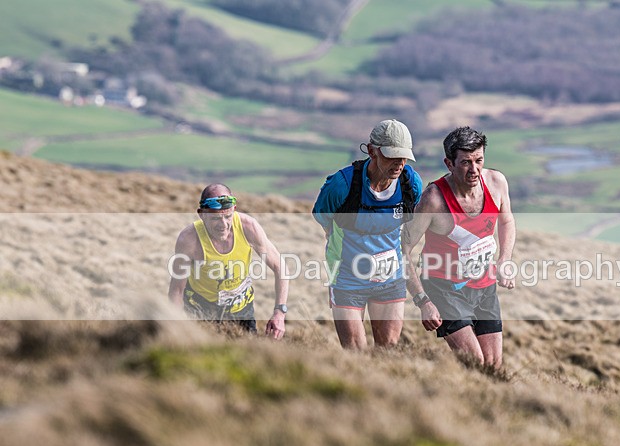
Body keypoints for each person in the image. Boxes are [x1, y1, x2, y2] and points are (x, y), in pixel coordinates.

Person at [402, 126, 516, 368]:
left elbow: (506, 220)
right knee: (475, 361)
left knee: (493, 365)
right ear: (449, 164)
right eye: (465, 162)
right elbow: (402, 251)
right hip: (444, 288)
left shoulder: (496, 182)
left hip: (484, 286)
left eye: (479, 160)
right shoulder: (433, 200)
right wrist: (423, 301)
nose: (474, 170)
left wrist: (504, 259)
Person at [312, 119, 423, 349]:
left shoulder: (410, 183)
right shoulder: (342, 185)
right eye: (392, 156)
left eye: (404, 157)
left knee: (388, 349)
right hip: (347, 278)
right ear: (372, 151)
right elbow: (322, 217)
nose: (399, 163)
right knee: (356, 353)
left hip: (390, 278)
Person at [168, 184, 289, 339]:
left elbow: (280, 267)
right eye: (215, 218)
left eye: (228, 216)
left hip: (241, 309)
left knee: (248, 352)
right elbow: (177, 290)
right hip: (200, 309)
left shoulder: (248, 227)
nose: (223, 225)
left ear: (234, 210)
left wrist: (279, 313)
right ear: (201, 214)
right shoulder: (188, 239)